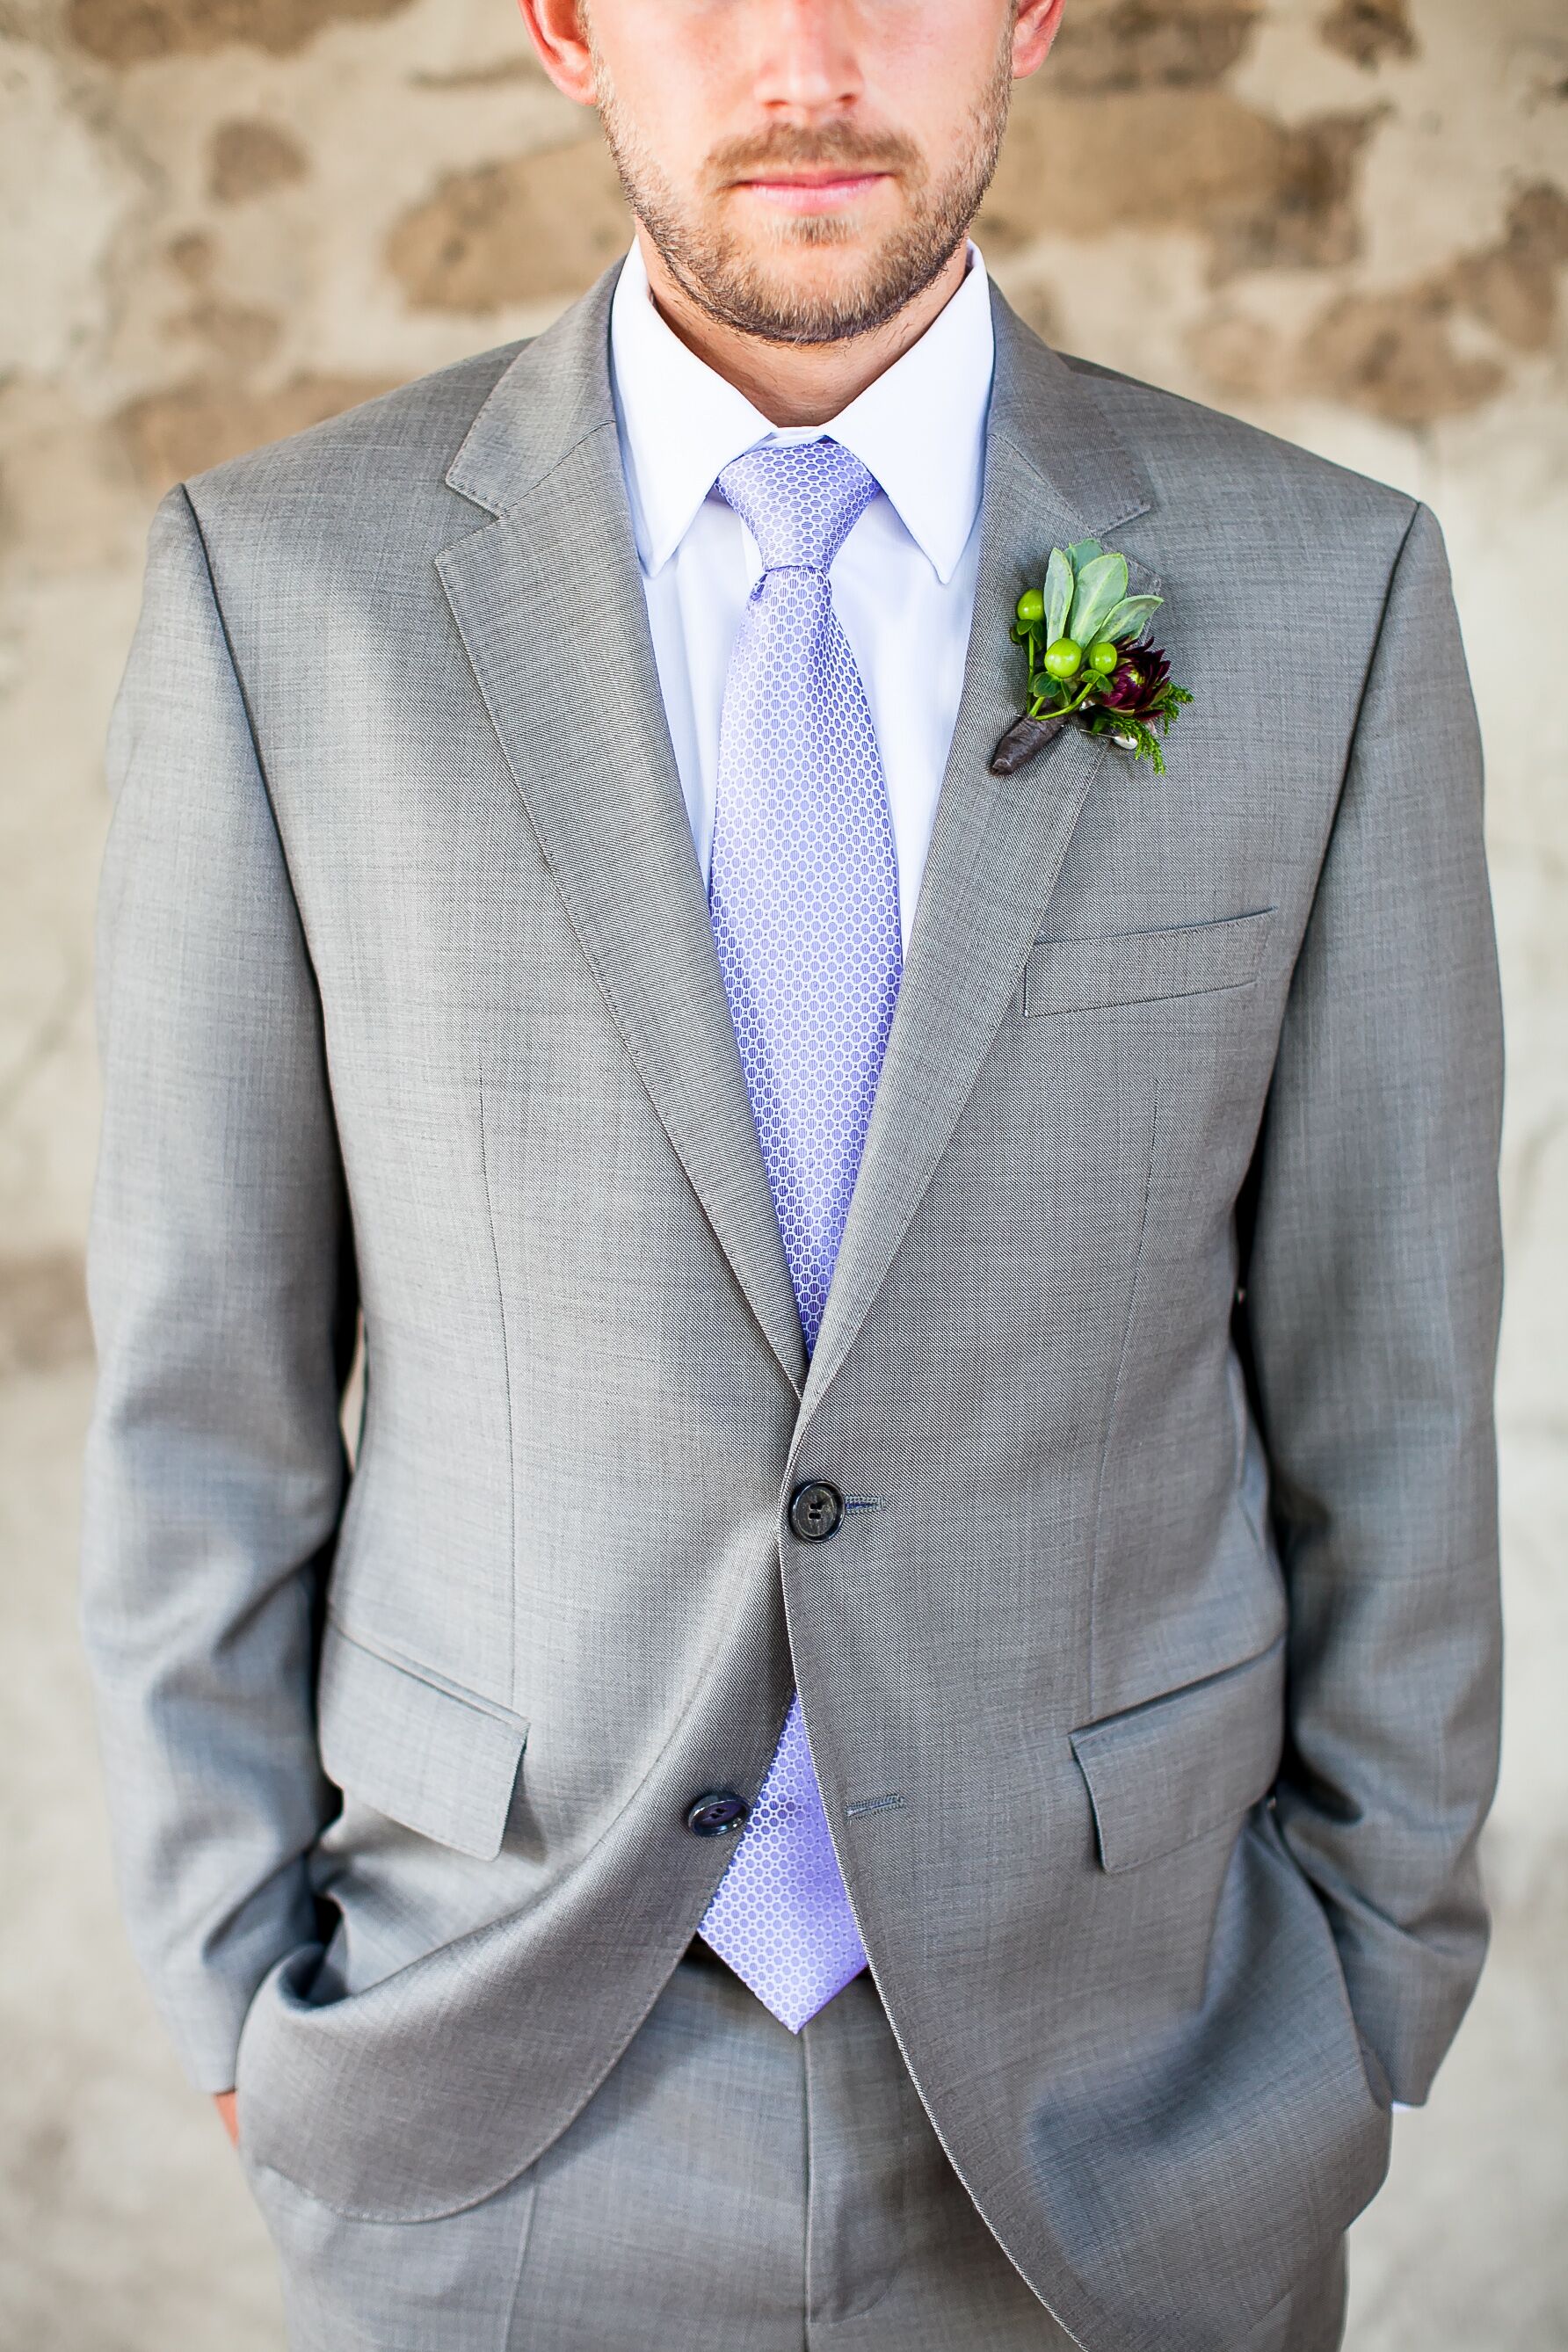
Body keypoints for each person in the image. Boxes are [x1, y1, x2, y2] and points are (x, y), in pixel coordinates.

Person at [78, 0, 1505, 2345]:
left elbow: (1399, 1384)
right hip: (492, 2093)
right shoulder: (286, 598)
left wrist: (1368, 1976)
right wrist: (244, 1987)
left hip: (1132, 2091)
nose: (816, 58)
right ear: (562, 26)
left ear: (1037, 10)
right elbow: (205, 1385)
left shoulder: (1314, 601)